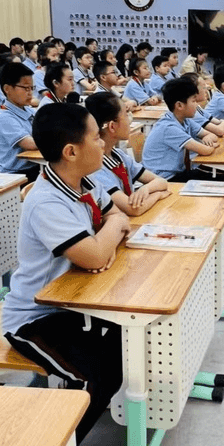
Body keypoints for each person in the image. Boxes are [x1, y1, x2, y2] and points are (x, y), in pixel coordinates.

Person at [2, 103, 129, 444]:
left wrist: (106, 240)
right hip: (33, 318)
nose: (103, 142)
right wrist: (105, 240)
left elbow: (117, 221)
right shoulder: (47, 201)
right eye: (95, 138)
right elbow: (97, 250)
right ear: (71, 151)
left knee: (123, 347)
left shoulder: (83, 183)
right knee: (93, 378)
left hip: (72, 304)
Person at [86, 92, 170, 216]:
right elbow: (133, 209)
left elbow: (162, 182)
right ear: (112, 126)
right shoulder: (95, 167)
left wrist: (146, 189)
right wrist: (157, 194)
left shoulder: (118, 155)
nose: (130, 119)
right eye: (125, 114)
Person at [141, 77, 220, 182]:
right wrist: (210, 145)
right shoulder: (169, 127)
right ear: (179, 105)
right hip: (164, 179)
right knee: (221, 178)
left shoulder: (185, 120)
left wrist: (208, 138)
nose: (197, 105)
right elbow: (205, 150)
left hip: (177, 173)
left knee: (219, 175)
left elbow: (211, 135)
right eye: (193, 101)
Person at [0, 62, 40, 182]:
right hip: (15, 174)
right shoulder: (4, 116)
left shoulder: (29, 110)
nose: (30, 92)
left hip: (34, 167)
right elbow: (30, 144)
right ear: (7, 89)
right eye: (25, 88)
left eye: (32, 88)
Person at [181, 72, 224, 137]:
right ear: (194, 91)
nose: (206, 90)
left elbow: (218, 122)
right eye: (203, 87)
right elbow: (220, 131)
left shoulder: (197, 107)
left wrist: (223, 123)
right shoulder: (192, 113)